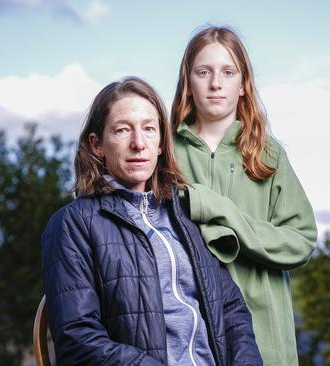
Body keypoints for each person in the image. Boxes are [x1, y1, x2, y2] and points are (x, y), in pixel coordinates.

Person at [41, 76, 263, 366]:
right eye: (122, 130)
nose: (138, 143)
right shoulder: (72, 224)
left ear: (160, 144)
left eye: (149, 129)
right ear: (97, 145)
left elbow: (232, 312)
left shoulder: (185, 215)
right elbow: (77, 340)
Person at [171, 26, 318, 366]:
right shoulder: (164, 152)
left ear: (243, 85)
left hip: (263, 330)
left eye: (228, 72)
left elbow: (301, 239)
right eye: (203, 72)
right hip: (190, 332)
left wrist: (221, 212)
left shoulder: (267, 153)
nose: (215, 83)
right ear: (188, 84)